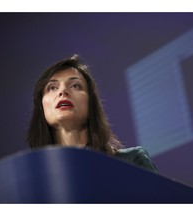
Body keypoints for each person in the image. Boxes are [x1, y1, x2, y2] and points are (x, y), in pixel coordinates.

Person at [27, 54, 157, 173]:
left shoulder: (132, 161)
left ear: (91, 104)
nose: (63, 91)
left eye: (75, 85)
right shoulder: (31, 176)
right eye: (52, 87)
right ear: (42, 106)